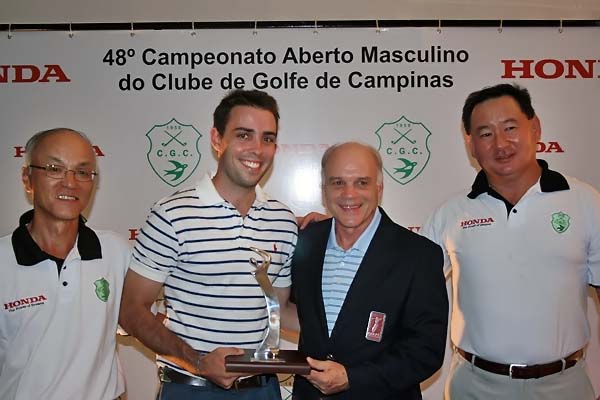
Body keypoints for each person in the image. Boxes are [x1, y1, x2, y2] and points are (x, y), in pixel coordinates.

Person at [421, 83, 600, 399]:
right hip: (474, 386)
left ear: (535, 128)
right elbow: (405, 275)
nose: (500, 143)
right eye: (485, 133)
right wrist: (349, 224)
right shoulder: (451, 213)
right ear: (471, 144)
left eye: (510, 127)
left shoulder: (585, 202)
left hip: (564, 385)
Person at [119, 89, 298, 399]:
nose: (257, 149)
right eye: (244, 135)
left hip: (263, 390)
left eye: (267, 138)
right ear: (217, 139)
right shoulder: (172, 214)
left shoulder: (283, 220)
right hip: (192, 388)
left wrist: (353, 334)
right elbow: (131, 310)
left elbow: (281, 309)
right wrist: (199, 362)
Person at [292, 142, 448, 399]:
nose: (349, 194)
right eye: (338, 182)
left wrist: (352, 378)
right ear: (323, 191)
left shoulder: (419, 255)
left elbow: (426, 351)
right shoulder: (306, 243)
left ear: (379, 188)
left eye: (362, 182)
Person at [0, 128, 129, 400]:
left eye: (82, 172)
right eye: (54, 169)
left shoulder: (115, 251)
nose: (70, 183)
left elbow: (142, 320)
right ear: (27, 179)